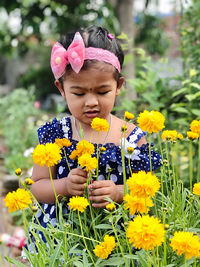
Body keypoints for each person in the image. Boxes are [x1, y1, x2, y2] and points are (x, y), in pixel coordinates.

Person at [27, 25, 162, 252]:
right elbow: (37, 187)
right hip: (61, 243)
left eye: (102, 92)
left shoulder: (131, 137)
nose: (91, 102)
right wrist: (65, 186)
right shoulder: (55, 134)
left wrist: (119, 193)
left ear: (118, 86)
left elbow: (148, 190)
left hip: (116, 242)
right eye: (79, 93)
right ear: (62, 89)